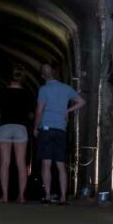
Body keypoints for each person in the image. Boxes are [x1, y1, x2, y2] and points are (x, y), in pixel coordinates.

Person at [34, 62, 86, 205]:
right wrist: (68, 111)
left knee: (46, 163)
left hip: (46, 128)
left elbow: (39, 110)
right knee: (60, 164)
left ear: (43, 75)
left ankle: (48, 195)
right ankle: (63, 197)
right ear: (54, 73)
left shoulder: (43, 89)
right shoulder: (66, 88)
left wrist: (35, 127)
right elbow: (81, 101)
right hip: (61, 129)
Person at [0, 66, 36, 203]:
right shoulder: (27, 93)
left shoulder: (3, 92)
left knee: (5, 163)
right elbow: (31, 112)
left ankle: (5, 196)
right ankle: (21, 196)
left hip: (5, 126)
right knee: (21, 163)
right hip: (20, 128)